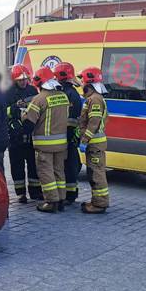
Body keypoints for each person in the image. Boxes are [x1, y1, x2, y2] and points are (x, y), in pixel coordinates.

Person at [23, 66, 69, 213]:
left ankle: (51, 201)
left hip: (45, 145)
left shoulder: (39, 99)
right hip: (61, 143)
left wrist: (23, 115)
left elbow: (29, 123)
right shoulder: (63, 96)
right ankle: (61, 199)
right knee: (59, 172)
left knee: (46, 172)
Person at [5, 64, 41, 203]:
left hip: (31, 135)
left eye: (25, 79)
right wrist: (15, 107)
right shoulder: (8, 93)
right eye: (20, 80)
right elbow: (4, 112)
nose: (24, 82)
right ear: (14, 80)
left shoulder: (33, 90)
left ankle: (35, 192)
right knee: (17, 166)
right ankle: (20, 194)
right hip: (15, 136)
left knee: (34, 165)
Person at [77, 66, 110, 213]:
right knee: (94, 172)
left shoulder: (95, 99)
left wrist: (84, 140)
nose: (82, 85)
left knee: (96, 173)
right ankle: (96, 201)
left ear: (89, 84)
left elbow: (94, 122)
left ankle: (99, 204)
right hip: (96, 143)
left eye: (83, 82)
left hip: (94, 143)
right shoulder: (94, 98)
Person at [54, 62, 82, 205]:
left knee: (69, 165)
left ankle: (70, 195)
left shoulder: (68, 94)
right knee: (70, 164)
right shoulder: (70, 92)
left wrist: (68, 136)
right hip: (69, 136)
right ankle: (69, 193)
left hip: (67, 136)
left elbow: (69, 119)